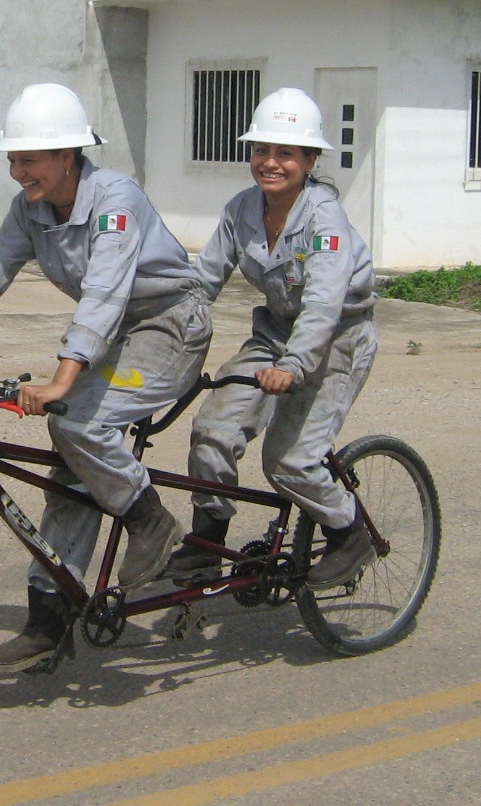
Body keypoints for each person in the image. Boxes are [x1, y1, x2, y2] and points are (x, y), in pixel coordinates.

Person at [0, 83, 211, 671]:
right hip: (114, 338)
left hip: (168, 329)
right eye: (12, 159)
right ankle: (48, 619)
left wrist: (61, 382)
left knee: (78, 423)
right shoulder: (30, 209)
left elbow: (105, 294)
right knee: (72, 464)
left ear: (68, 155)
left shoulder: (116, 200)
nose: (17, 172)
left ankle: (150, 522)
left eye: (28, 159)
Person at [166, 87, 378, 591]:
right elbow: (203, 281)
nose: (271, 162)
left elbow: (325, 301)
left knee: (288, 463)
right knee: (213, 429)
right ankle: (208, 540)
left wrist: (295, 364)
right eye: (261, 150)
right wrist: (162, 332)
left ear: (310, 159)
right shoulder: (241, 208)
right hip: (275, 334)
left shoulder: (325, 218)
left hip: (337, 341)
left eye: (286, 152)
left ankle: (350, 534)